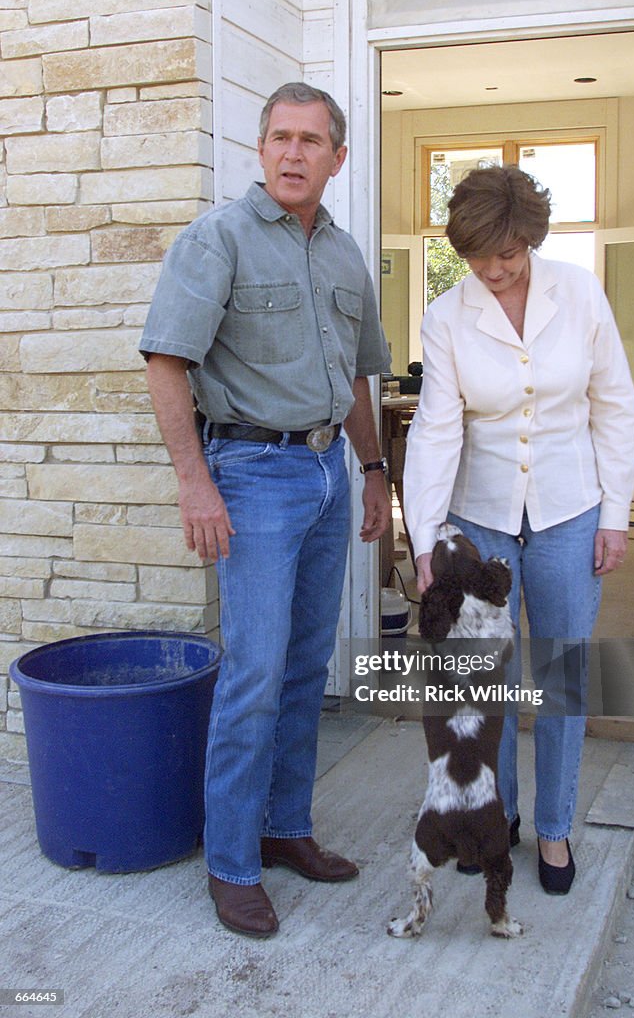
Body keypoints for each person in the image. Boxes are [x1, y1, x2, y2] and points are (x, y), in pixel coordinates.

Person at [140, 82, 392, 936]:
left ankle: (287, 830)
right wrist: (193, 479)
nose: (293, 153)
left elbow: (359, 375)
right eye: (279, 137)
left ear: (337, 157)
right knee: (252, 673)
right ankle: (232, 863)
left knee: (302, 668)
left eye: (310, 141)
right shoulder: (218, 239)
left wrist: (375, 471)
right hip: (250, 473)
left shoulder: (346, 252)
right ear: (261, 148)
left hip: (328, 477)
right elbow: (167, 360)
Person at [404, 165, 634, 895]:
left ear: (531, 238)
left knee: (564, 676)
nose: (495, 270)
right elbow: (437, 432)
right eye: (480, 258)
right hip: (485, 517)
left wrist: (612, 516)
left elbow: (614, 405)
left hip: (571, 512)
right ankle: (493, 818)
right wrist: (425, 541)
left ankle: (556, 826)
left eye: (507, 254)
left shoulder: (580, 293)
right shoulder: (446, 318)